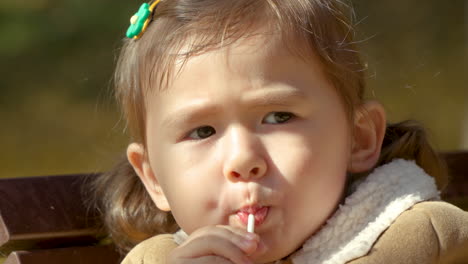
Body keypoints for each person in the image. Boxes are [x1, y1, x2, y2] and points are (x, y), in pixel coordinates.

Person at [90, 0, 468, 263]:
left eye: (278, 118)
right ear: (154, 178)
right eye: (202, 131)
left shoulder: (420, 237)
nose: (242, 160)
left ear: (360, 138)